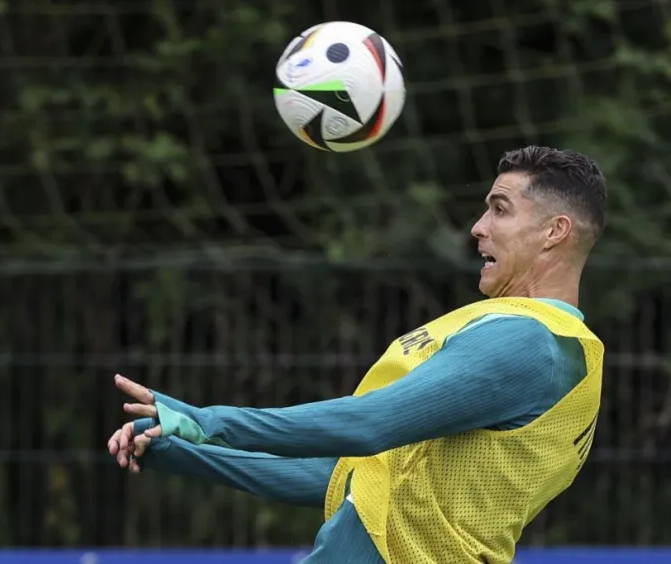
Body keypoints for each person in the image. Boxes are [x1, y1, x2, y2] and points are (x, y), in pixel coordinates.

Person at [107, 146, 608, 564]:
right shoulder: (535, 341)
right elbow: (343, 473)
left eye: (499, 209)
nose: (478, 227)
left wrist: (208, 420)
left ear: (554, 232)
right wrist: (179, 447)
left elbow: (369, 425)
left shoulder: (529, 342)